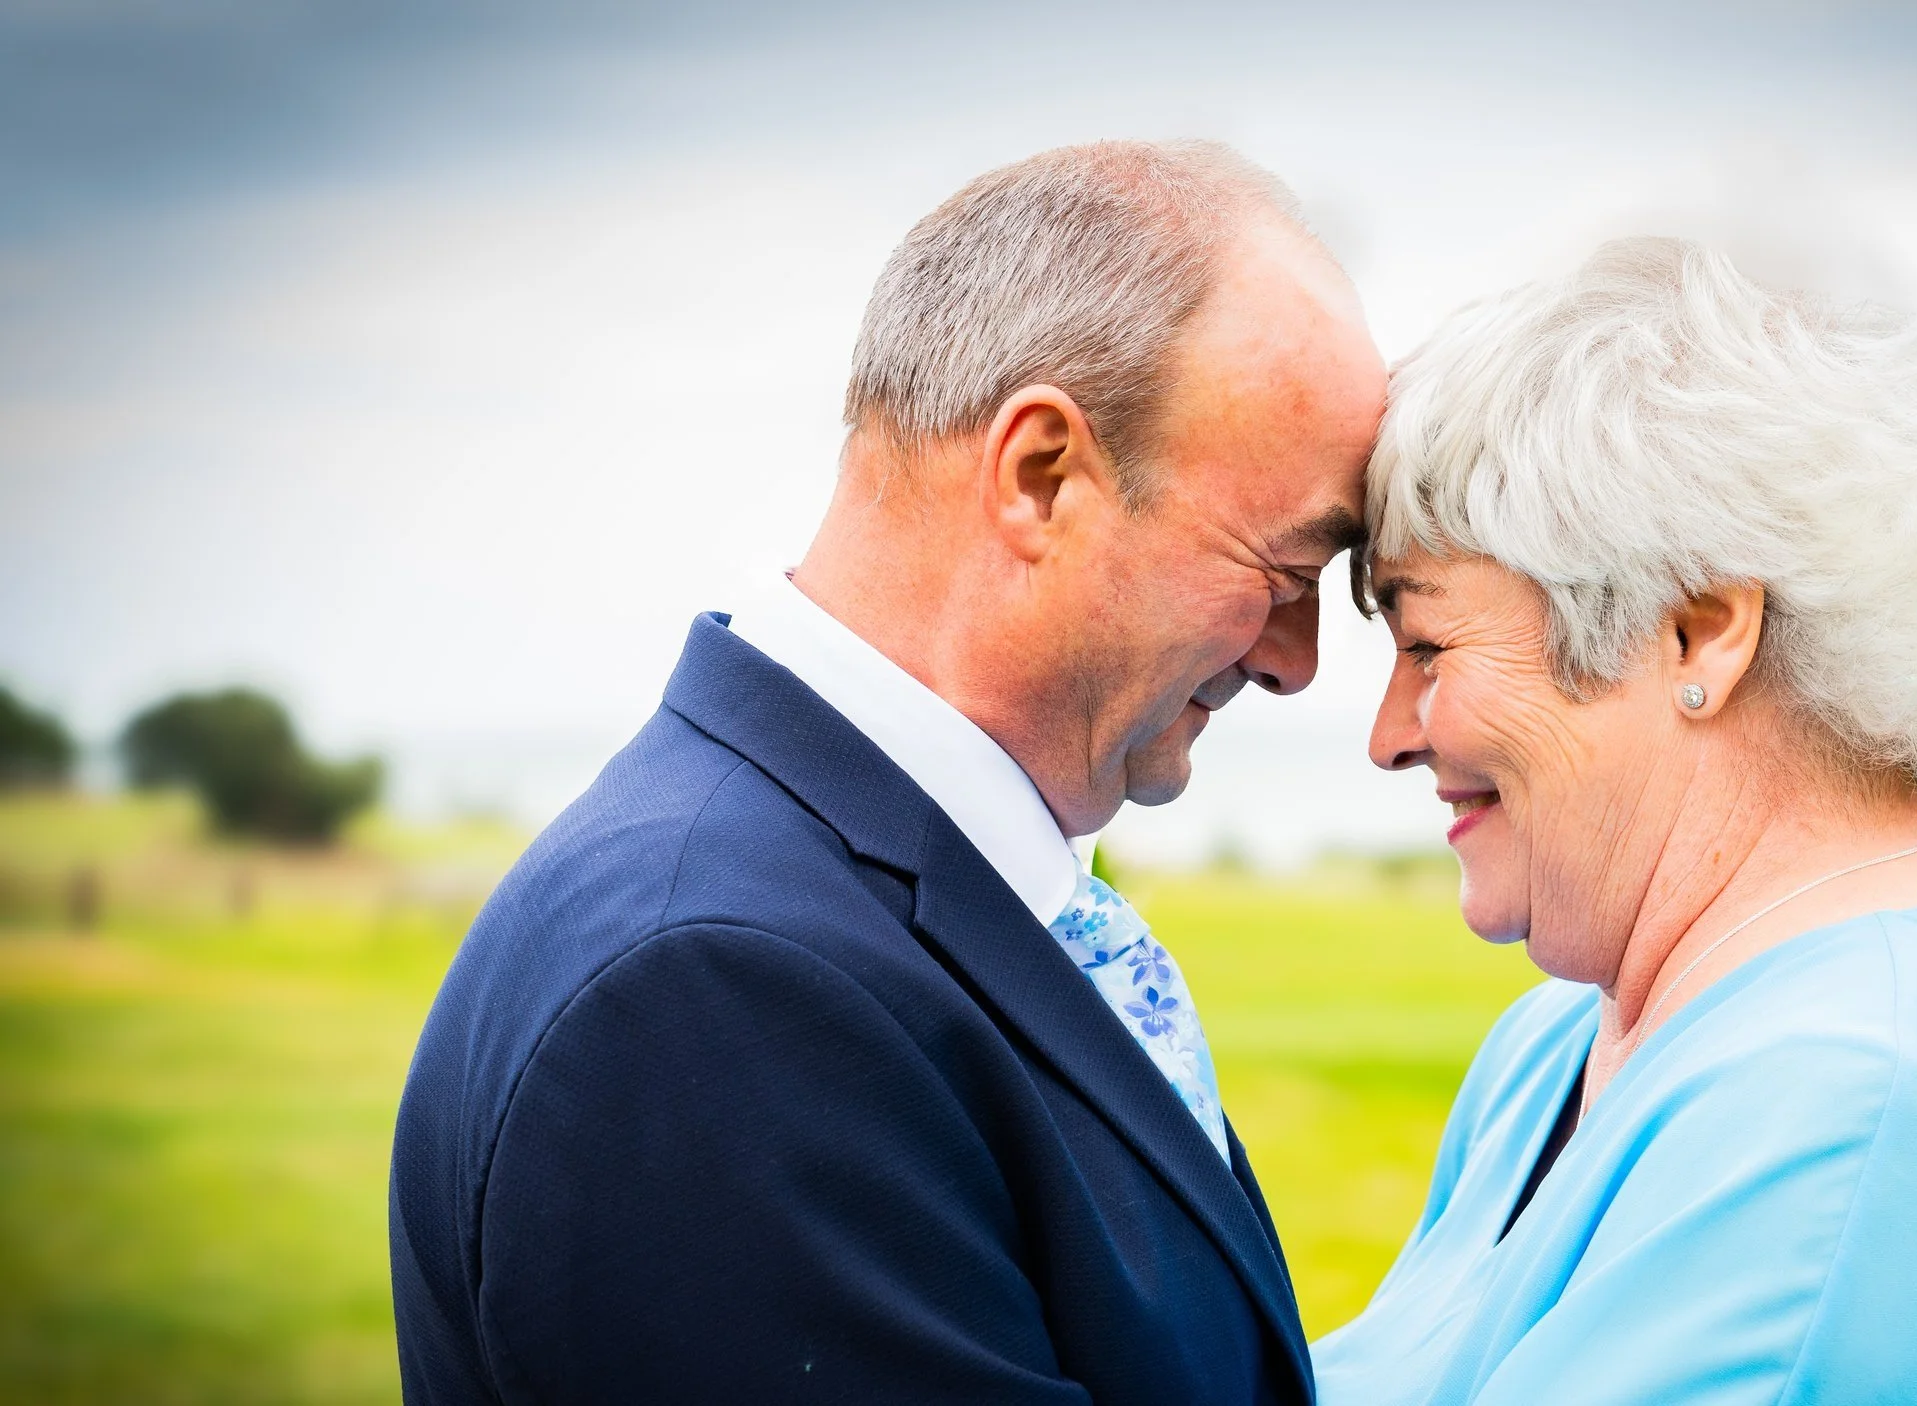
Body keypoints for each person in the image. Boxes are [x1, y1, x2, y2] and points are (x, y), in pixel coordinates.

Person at [390, 141, 1385, 1405]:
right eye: (1288, 572)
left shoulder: (802, 899)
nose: (1298, 663)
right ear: (1041, 477)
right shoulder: (712, 992)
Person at [1315, 239, 1917, 1404]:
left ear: (1697, 631)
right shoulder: (1557, 1043)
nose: (1390, 733)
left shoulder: (1849, 1139)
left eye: (1430, 644)